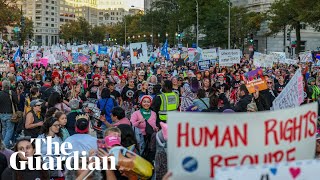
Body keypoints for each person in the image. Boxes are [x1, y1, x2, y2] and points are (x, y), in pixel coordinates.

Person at [0, 80, 18, 148]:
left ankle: (3, 143)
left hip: (1, 114)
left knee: (4, 129)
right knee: (9, 130)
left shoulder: (0, 93)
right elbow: (17, 102)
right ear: (9, 86)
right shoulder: (11, 93)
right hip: (10, 114)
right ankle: (4, 146)